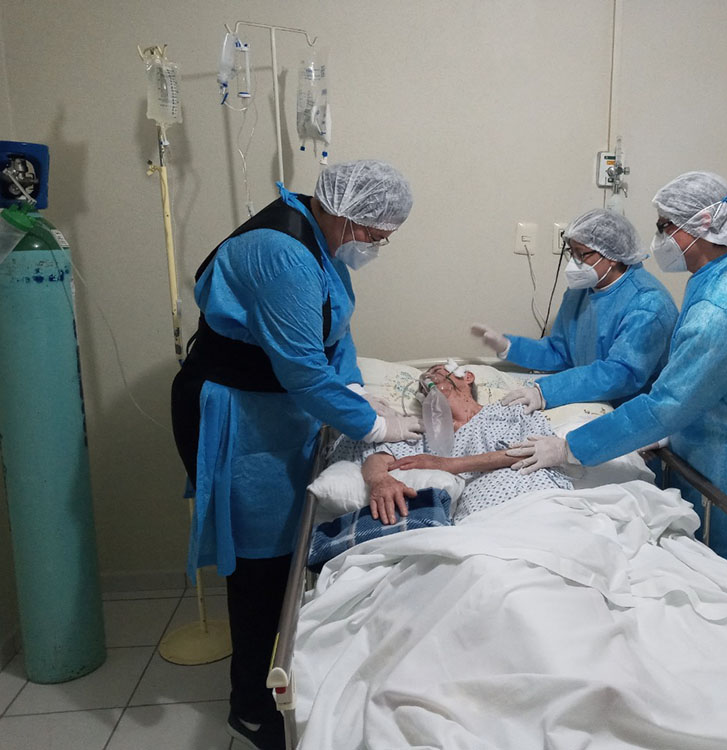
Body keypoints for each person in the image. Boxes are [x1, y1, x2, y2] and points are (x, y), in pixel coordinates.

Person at [170, 160, 422, 750]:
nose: (379, 246)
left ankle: (275, 674)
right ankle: (252, 706)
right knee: (261, 560)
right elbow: (304, 368)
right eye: (378, 235)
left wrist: (357, 388)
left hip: (278, 408)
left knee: (284, 551)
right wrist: (377, 426)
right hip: (240, 412)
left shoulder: (320, 242)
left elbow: (337, 332)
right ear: (347, 213)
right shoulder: (281, 252)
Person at [507, 171, 727, 591]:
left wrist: (569, 447)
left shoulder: (716, 308)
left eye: (665, 227)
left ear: (702, 227)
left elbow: (664, 403)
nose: (659, 239)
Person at [471, 208, 678, 413]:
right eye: (572, 253)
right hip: (594, 404)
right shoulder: (580, 292)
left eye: (582, 255)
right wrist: (510, 346)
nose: (574, 263)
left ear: (613, 255)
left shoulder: (648, 304)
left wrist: (547, 391)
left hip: (635, 417)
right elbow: (560, 352)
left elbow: (619, 374)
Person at [329, 362, 573, 523]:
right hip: (483, 516)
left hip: (542, 501)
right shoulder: (423, 434)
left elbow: (535, 451)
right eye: (423, 384)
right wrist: (379, 480)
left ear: (467, 376)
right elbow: (378, 455)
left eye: (435, 371)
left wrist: (446, 464)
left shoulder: (513, 410)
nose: (428, 381)